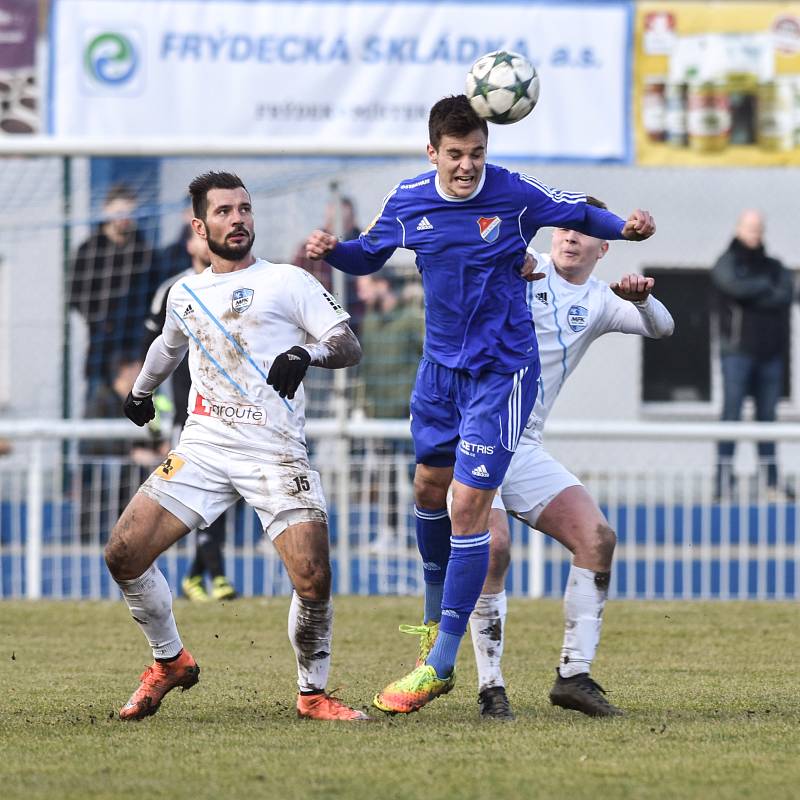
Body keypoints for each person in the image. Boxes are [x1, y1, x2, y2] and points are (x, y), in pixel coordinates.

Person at [305, 95, 656, 715]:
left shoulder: (514, 193)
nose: (468, 166)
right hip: (438, 374)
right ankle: (431, 621)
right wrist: (333, 250)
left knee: (469, 508)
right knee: (427, 491)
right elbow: (370, 253)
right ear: (433, 151)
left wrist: (624, 229)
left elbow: (574, 210)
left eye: (477, 154)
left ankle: (442, 662)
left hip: (501, 373)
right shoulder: (410, 198)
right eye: (456, 155)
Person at [105, 171, 367, 722]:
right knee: (124, 554)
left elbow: (346, 343)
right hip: (204, 445)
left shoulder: (288, 281)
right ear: (201, 226)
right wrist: (140, 393)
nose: (239, 219)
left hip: (274, 449)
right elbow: (166, 346)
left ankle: (312, 693)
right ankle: (170, 662)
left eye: (244, 209)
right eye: (224, 211)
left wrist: (307, 356)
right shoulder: (185, 293)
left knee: (313, 579)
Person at [404, 199, 674, 720]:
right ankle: (491, 688)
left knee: (597, 538)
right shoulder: (521, 264)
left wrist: (641, 300)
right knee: (493, 546)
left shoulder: (600, 299)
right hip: (475, 433)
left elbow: (662, 328)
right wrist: (504, 269)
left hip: (522, 444)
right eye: (564, 227)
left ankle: (574, 675)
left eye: (583, 231)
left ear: (603, 245)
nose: (570, 237)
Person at [143, 225, 236, 603]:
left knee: (226, 493)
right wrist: (154, 414)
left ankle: (201, 574)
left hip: (231, 413)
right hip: (188, 415)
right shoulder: (173, 291)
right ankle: (212, 574)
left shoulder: (237, 288)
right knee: (196, 495)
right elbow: (153, 350)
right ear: (191, 242)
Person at [711, 209, 794, 501]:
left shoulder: (775, 266)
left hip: (770, 355)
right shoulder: (726, 263)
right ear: (739, 228)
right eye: (750, 228)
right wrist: (763, 289)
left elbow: (786, 292)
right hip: (737, 354)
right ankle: (723, 483)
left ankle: (771, 483)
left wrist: (755, 291)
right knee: (731, 416)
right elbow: (734, 286)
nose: (754, 233)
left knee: (768, 421)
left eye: (758, 228)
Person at [68, 183, 158, 405]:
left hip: (137, 351)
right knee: (96, 410)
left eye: (130, 212)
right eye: (119, 211)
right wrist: (101, 321)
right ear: (107, 210)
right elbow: (76, 296)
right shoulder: (89, 250)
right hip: (101, 349)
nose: (124, 218)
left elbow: (154, 299)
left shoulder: (145, 253)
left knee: (145, 415)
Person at [79, 355, 167, 543]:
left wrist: (161, 446)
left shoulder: (145, 400)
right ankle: (110, 533)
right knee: (118, 468)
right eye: (139, 367)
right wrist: (130, 453)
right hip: (108, 462)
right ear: (124, 369)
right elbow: (92, 442)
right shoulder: (102, 398)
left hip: (135, 465)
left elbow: (152, 428)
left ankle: (143, 534)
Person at [355, 270, 424, 419]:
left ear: (382, 285)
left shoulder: (412, 317)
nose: (361, 296)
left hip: (408, 412)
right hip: (378, 412)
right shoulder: (369, 321)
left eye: (365, 289)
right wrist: (360, 403)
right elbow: (365, 367)